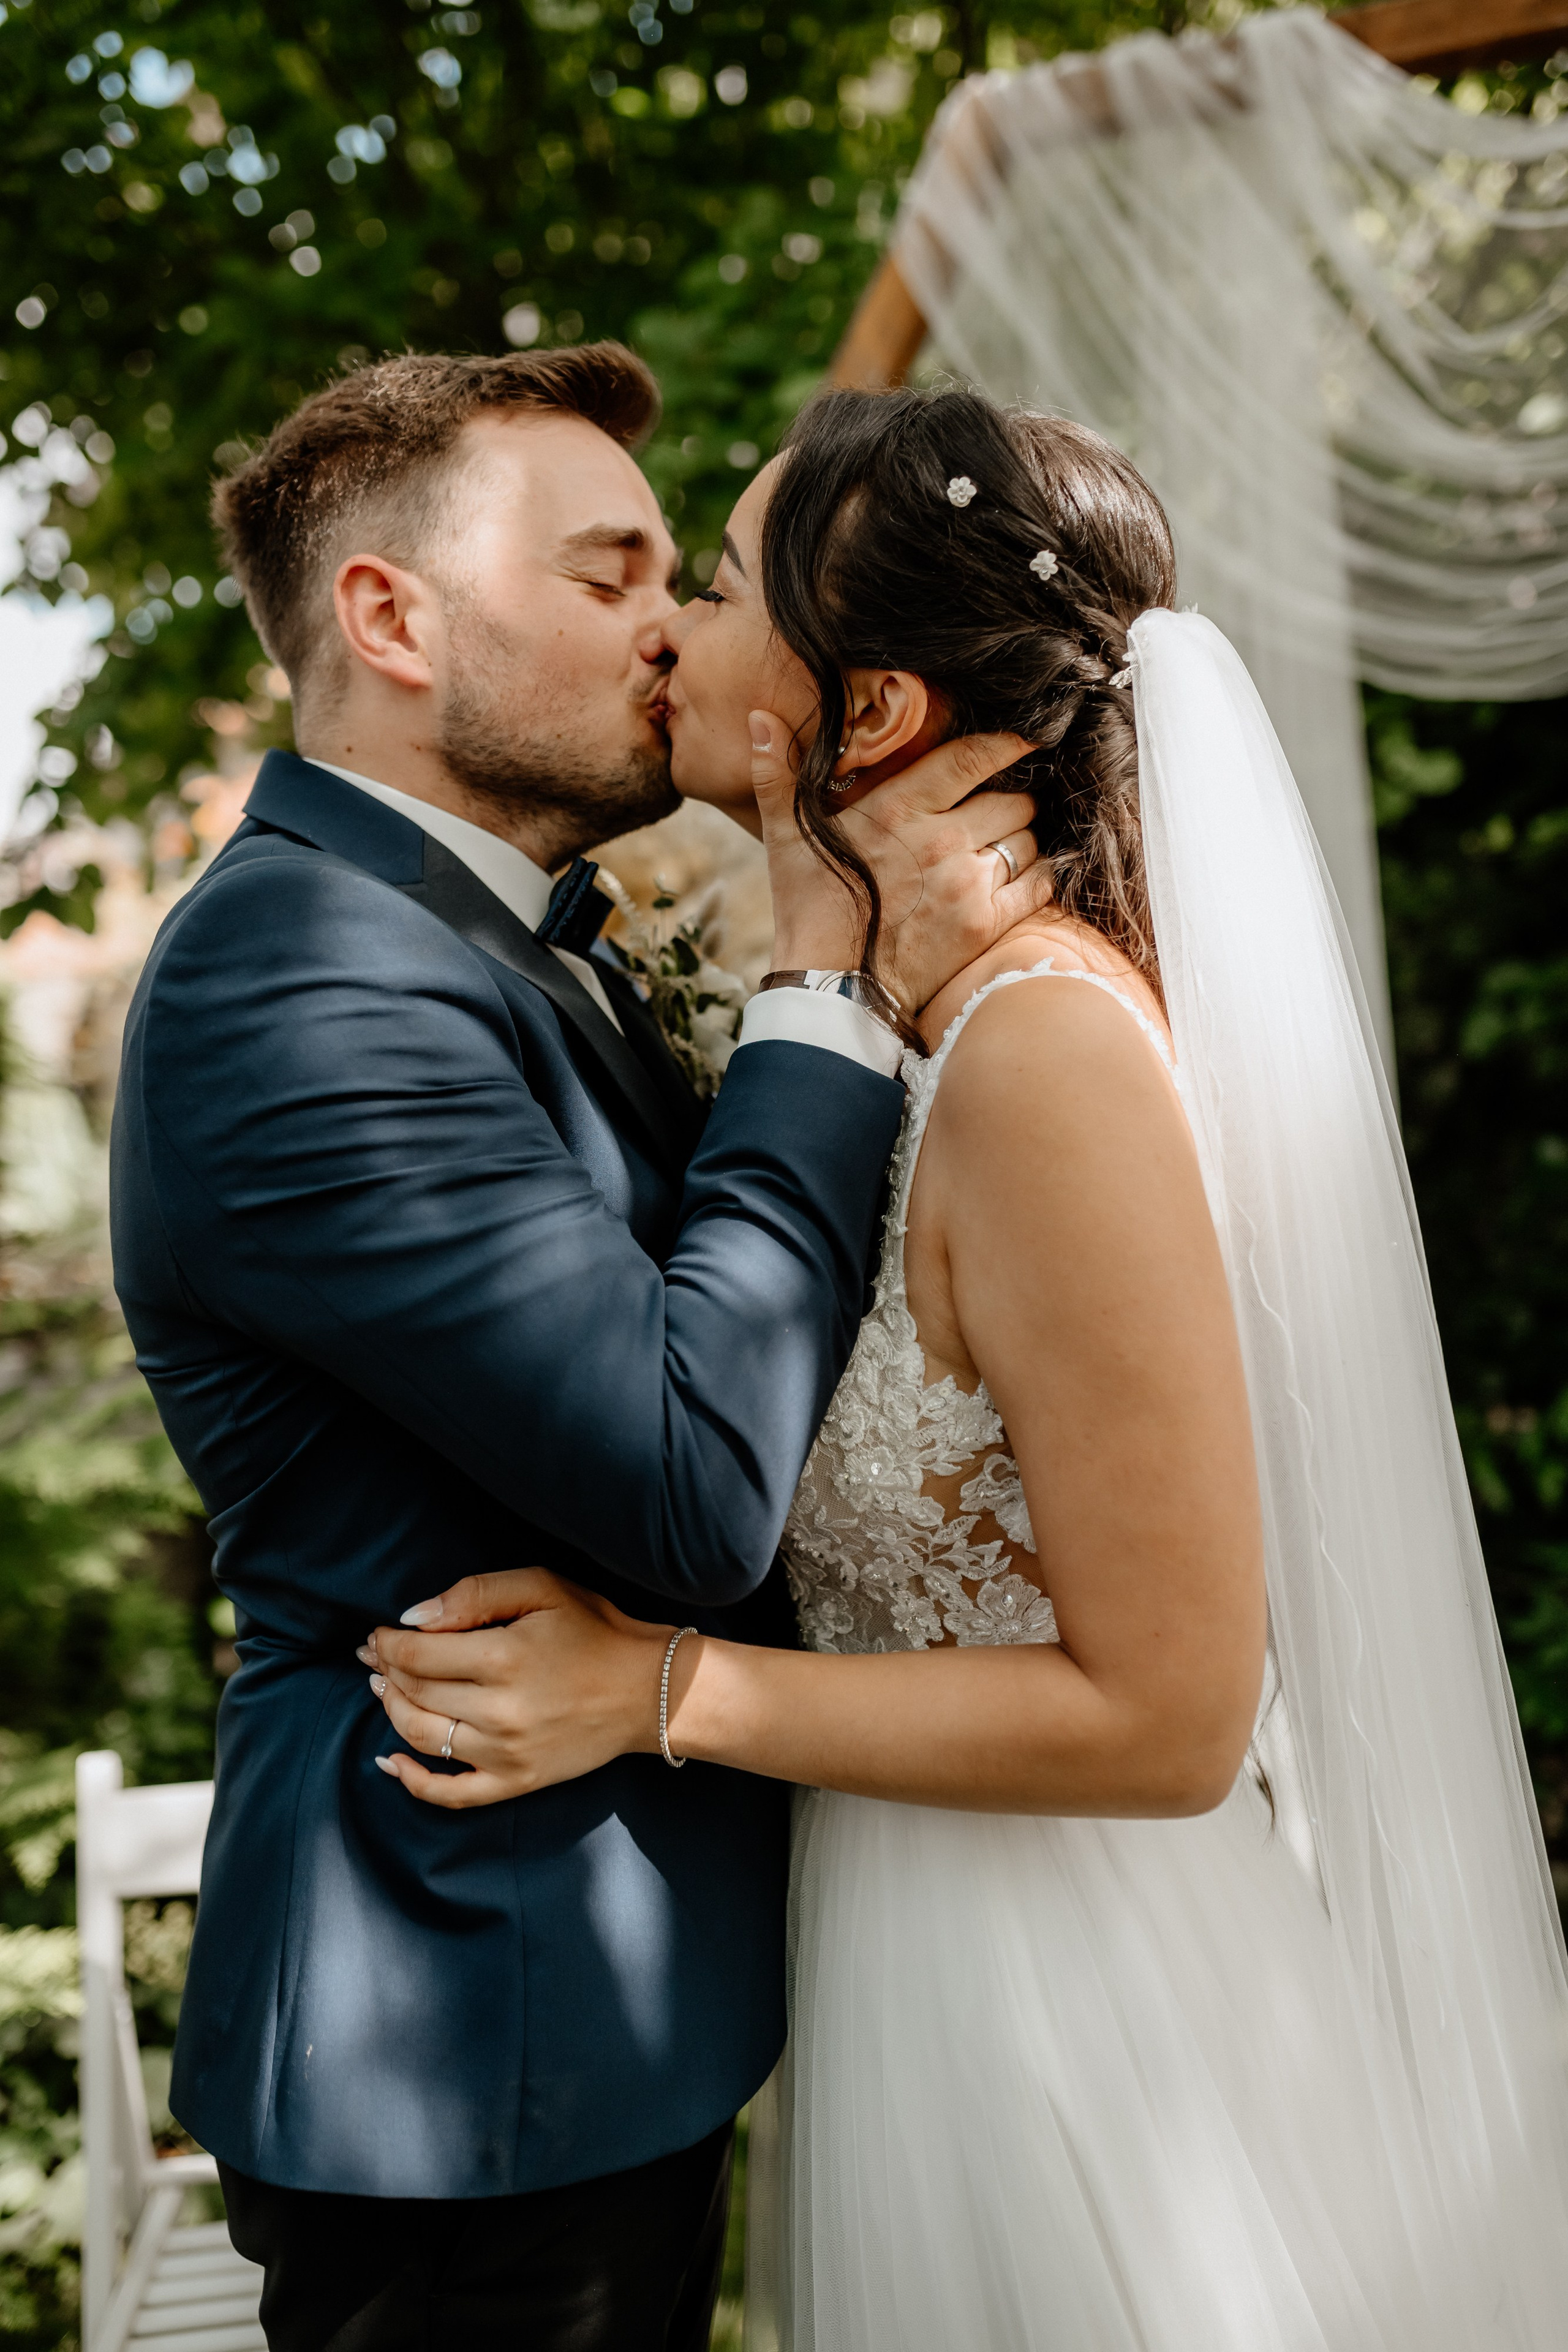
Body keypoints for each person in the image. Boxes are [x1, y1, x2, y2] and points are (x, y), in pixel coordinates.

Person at [369, 388, 1568, 2348]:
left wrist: (662, 1690)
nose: (670, 622)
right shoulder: (910, 1033)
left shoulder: (1044, 1057)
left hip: (1085, 2024)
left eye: (727, 583)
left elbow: (1175, 1716)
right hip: (920, 1957)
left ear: (878, 717)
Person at [109, 347, 1057, 2351]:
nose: (674, 629)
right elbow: (692, 1472)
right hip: (465, 2049)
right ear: (391, 618)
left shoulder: (500, 937)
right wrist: (813, 970)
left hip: (597, 2005)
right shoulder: (299, 980)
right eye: (613, 571)